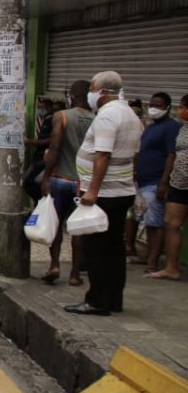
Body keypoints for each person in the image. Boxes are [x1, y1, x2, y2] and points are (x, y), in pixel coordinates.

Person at [64, 71, 143, 316]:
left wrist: (92, 191)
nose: (90, 94)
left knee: (96, 249)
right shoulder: (130, 114)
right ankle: (113, 299)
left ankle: (97, 301)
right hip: (121, 190)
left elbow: (103, 155)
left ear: (102, 91)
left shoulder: (108, 115)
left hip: (105, 194)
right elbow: (133, 155)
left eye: (92, 89)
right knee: (114, 248)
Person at [41, 80, 94, 286]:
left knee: (55, 225)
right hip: (83, 183)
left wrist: (46, 177)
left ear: (72, 96)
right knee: (78, 231)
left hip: (59, 179)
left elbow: (55, 147)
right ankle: (74, 274)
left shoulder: (62, 116)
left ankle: (54, 265)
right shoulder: (97, 119)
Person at [133, 92, 181, 274]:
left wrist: (164, 182)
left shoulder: (171, 127)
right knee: (147, 221)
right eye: (151, 104)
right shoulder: (151, 127)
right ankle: (147, 256)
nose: (153, 108)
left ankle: (153, 261)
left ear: (168, 107)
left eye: (158, 105)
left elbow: (171, 155)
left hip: (156, 181)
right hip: (143, 181)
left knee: (155, 222)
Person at [146, 93, 188, 281]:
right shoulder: (183, 128)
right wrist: (167, 180)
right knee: (171, 223)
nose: (181, 110)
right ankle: (171, 268)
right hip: (179, 183)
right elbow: (173, 154)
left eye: (183, 107)